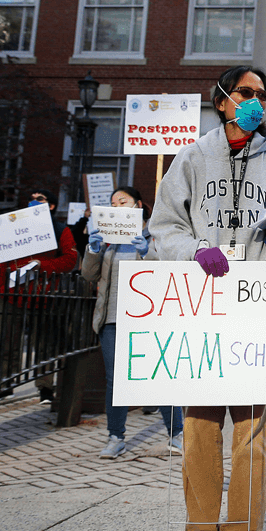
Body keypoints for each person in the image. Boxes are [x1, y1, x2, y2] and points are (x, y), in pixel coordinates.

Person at [150, 65, 266, 531]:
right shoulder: (192, 157)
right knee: (198, 423)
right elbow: (164, 227)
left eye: (262, 94)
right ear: (221, 100)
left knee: (252, 425)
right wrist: (196, 250)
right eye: (246, 92)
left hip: (257, 301)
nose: (255, 101)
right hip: (204, 302)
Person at [82, 186, 183, 459]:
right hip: (112, 318)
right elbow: (89, 275)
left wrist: (146, 251)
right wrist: (93, 250)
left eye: (123, 201)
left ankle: (176, 433)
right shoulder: (108, 239)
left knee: (160, 375)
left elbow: (169, 269)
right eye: (113, 203)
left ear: (138, 205)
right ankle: (116, 437)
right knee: (116, 380)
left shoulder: (156, 233)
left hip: (147, 318)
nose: (117, 206)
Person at [0, 189, 78, 403]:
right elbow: (3, 256)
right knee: (7, 342)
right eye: (30, 199)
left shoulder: (60, 230)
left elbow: (69, 260)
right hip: (13, 294)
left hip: (44, 294)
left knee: (45, 344)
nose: (33, 202)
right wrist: (2, 283)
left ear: (51, 206)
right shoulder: (13, 226)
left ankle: (45, 388)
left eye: (39, 199)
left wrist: (43, 266)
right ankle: (5, 384)